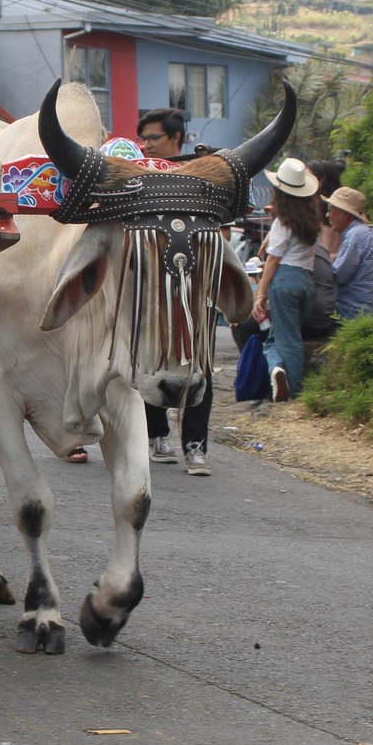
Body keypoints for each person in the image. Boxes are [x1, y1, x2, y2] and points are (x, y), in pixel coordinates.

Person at [135, 107, 214, 475]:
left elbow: (217, 227)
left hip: (195, 286)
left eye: (154, 138)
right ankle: (157, 437)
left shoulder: (202, 173)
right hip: (152, 286)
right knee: (152, 357)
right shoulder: (137, 176)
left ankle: (195, 447)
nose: (146, 145)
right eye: (143, 139)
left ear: (176, 137)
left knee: (200, 364)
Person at [251, 157, 321, 402]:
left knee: (288, 340)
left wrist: (260, 293)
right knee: (279, 335)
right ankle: (277, 369)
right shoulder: (311, 219)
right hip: (306, 282)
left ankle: (294, 393)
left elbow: (273, 260)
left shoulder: (283, 221)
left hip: (285, 282)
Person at [322, 186, 373, 319]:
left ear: (345, 214)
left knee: (309, 310)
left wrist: (320, 264)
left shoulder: (354, 235)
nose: (328, 215)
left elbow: (339, 275)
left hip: (355, 310)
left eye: (331, 209)